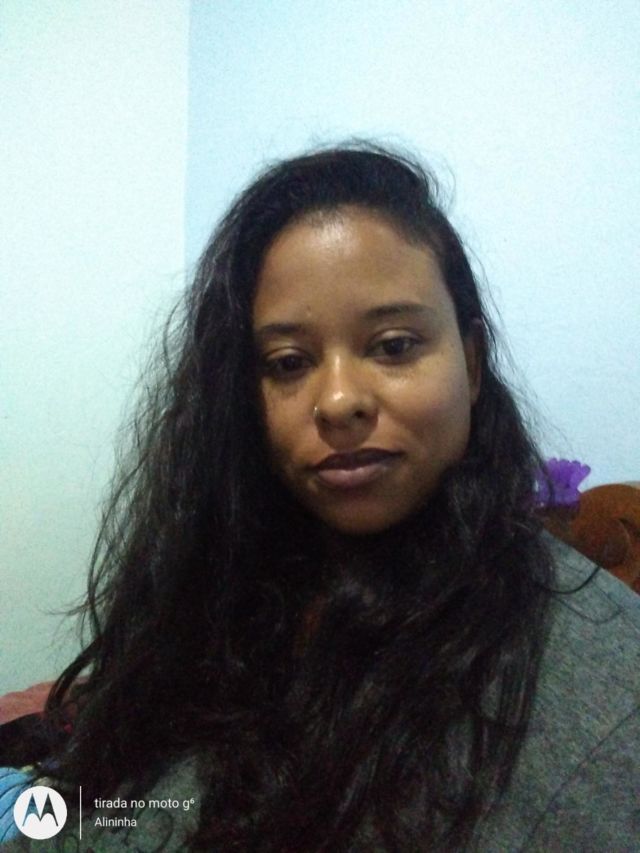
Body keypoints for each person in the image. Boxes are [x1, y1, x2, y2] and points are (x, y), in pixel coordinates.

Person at [1, 144, 638, 851]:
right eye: (288, 362)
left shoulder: (605, 693)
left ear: (473, 362)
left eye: (393, 345)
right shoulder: (213, 593)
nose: (337, 401)